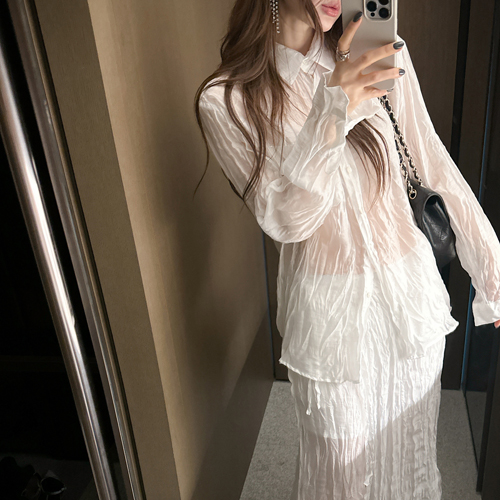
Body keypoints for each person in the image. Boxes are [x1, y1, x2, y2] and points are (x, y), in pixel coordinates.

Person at [194, 0, 500, 498]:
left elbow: (431, 159)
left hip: (410, 308)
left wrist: (493, 273)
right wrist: (335, 105)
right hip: (329, 330)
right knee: (338, 475)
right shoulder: (228, 100)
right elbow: (288, 220)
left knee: (411, 465)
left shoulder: (376, 50)